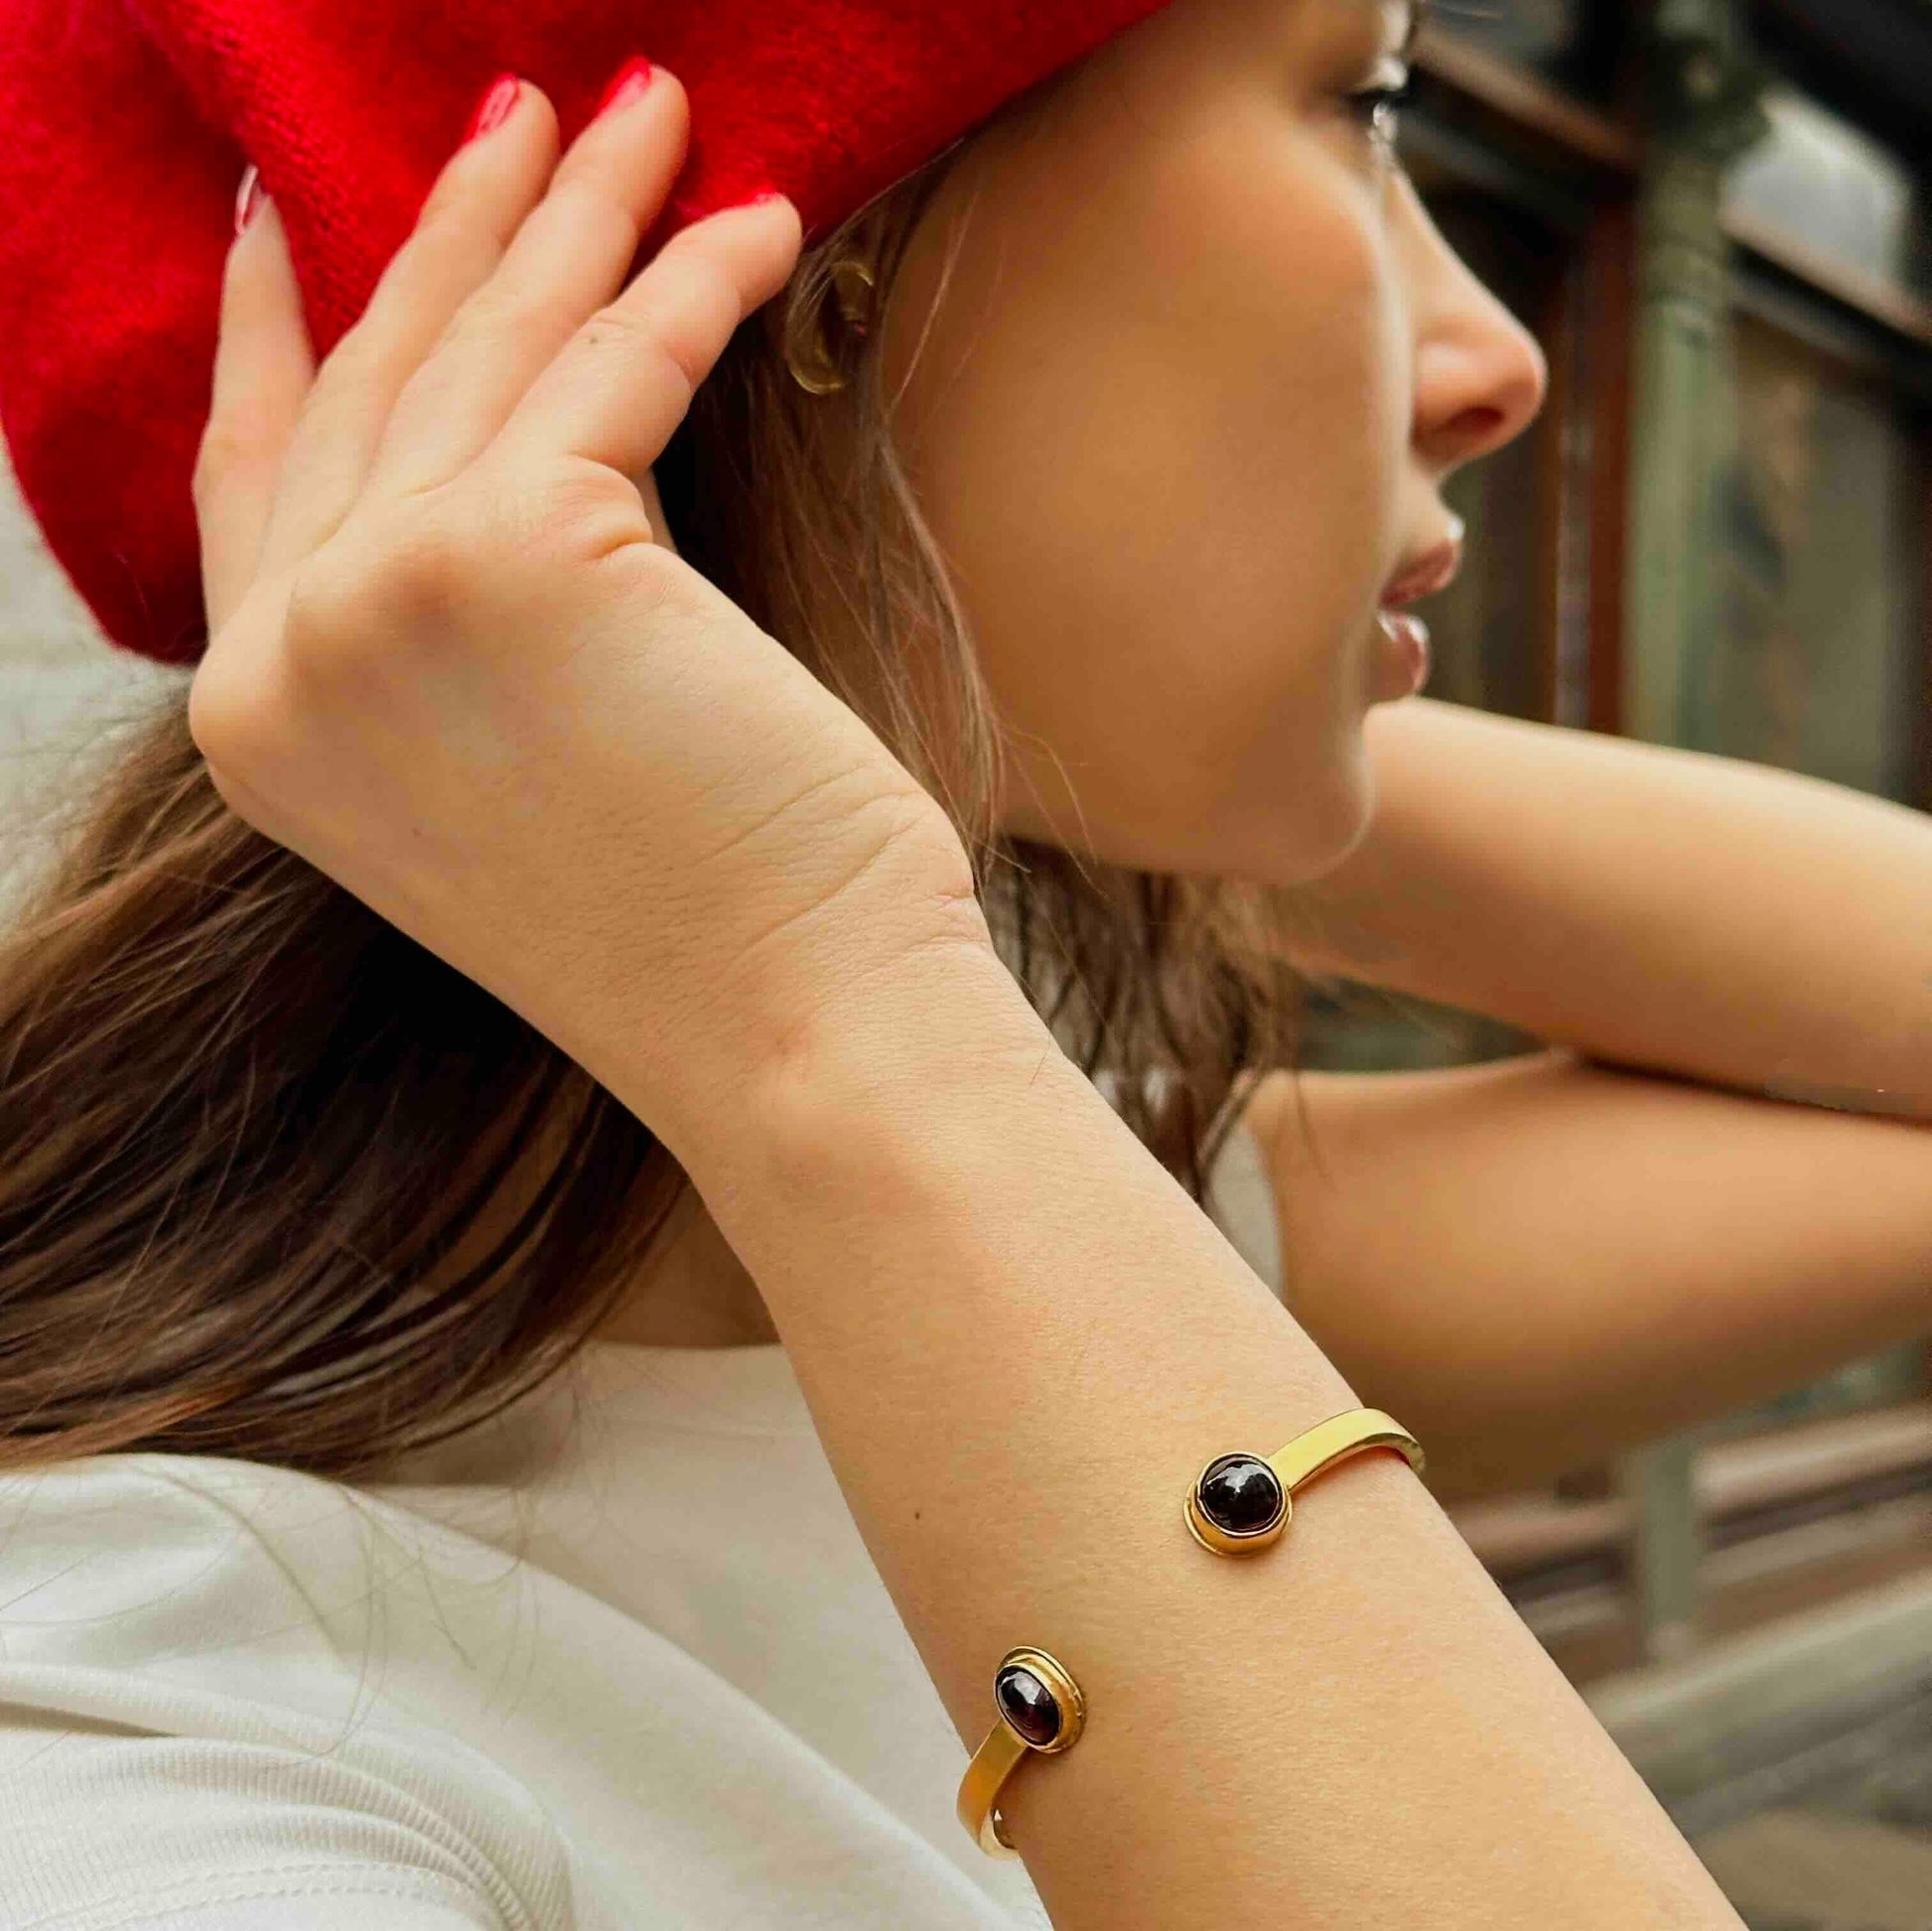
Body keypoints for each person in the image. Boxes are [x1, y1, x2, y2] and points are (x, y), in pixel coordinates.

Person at [0, 0, 1926, 1924]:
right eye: (1366, 102)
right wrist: (828, 941)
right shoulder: (150, 1752)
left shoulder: (944, 1251)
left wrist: (932, 718)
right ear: (824, 284)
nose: (1499, 361)